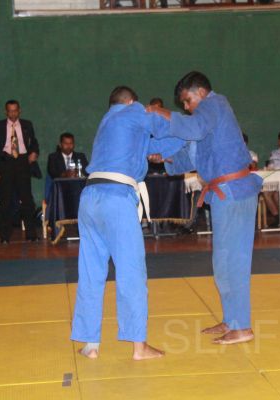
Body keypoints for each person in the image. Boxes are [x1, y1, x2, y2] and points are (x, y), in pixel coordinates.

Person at [148, 71, 263, 345]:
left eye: (187, 101)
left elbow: (194, 128)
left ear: (200, 92)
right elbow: (190, 157)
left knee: (234, 261)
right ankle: (231, 319)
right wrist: (164, 158)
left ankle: (242, 326)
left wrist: (163, 112)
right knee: (222, 262)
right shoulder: (206, 119)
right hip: (225, 194)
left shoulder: (215, 103)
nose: (186, 107)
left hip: (234, 191)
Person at [71, 86, 179, 360]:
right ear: (131, 102)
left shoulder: (106, 122)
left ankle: (91, 344)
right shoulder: (135, 112)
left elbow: (148, 147)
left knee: (91, 271)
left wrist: (161, 150)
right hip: (116, 198)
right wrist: (188, 131)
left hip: (89, 198)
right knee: (131, 271)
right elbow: (168, 126)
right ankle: (139, 347)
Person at [0, 99, 39, 243]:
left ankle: (31, 234)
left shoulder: (27, 125)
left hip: (23, 162)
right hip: (6, 162)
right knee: (6, 200)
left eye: (15, 111)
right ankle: (4, 236)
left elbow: (34, 143)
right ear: (6, 112)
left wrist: (34, 153)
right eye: (10, 111)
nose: (13, 114)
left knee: (27, 200)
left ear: (19, 111)